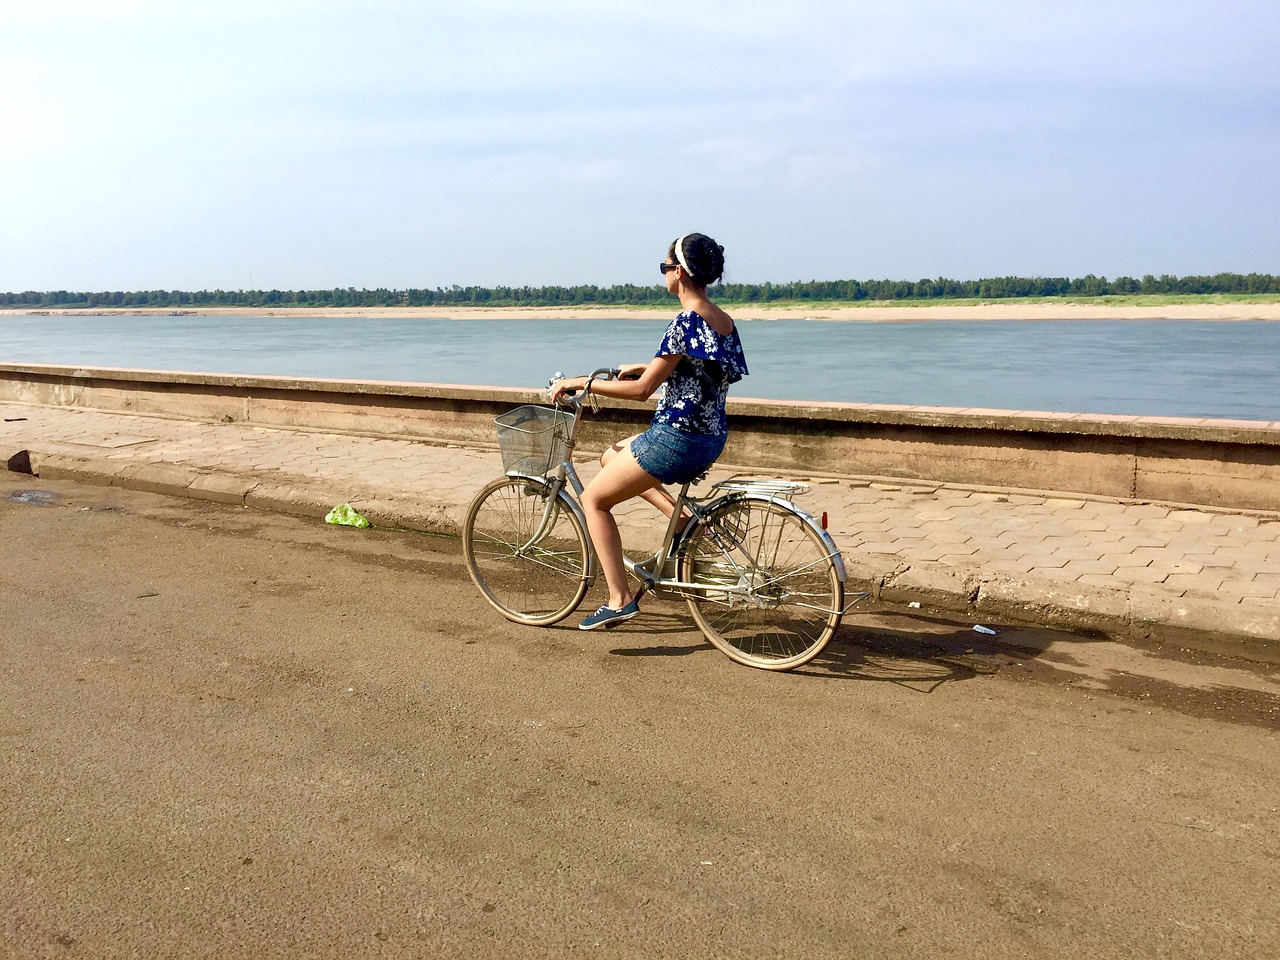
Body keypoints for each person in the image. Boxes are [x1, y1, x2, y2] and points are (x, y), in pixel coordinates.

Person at [549, 233, 748, 630]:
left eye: (664, 267)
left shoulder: (683, 321)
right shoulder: (722, 321)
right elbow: (703, 370)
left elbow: (642, 393)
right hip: (710, 437)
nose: (664, 275)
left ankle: (619, 599)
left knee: (594, 501)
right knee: (611, 455)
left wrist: (580, 383)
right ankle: (682, 520)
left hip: (675, 439)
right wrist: (651, 364)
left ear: (679, 273)